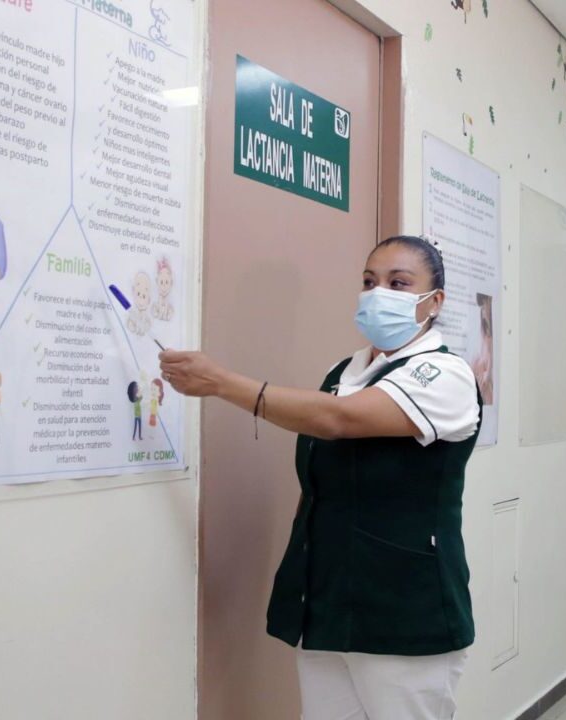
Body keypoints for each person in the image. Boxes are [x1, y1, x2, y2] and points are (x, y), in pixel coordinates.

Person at [159, 235, 482, 719]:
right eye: (370, 282)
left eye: (399, 283)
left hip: (404, 612)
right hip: (328, 604)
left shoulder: (446, 375)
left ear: (435, 301)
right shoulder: (343, 371)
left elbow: (339, 420)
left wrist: (221, 383)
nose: (378, 294)